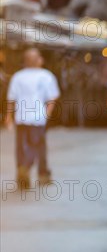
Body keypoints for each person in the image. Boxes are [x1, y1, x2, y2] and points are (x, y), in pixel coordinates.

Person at [5, 48, 60, 189]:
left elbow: (11, 98)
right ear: (38, 60)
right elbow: (52, 98)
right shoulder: (46, 76)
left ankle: (24, 172)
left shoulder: (18, 77)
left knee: (21, 147)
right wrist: (47, 113)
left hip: (21, 117)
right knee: (37, 146)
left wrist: (9, 116)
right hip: (38, 117)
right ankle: (35, 171)